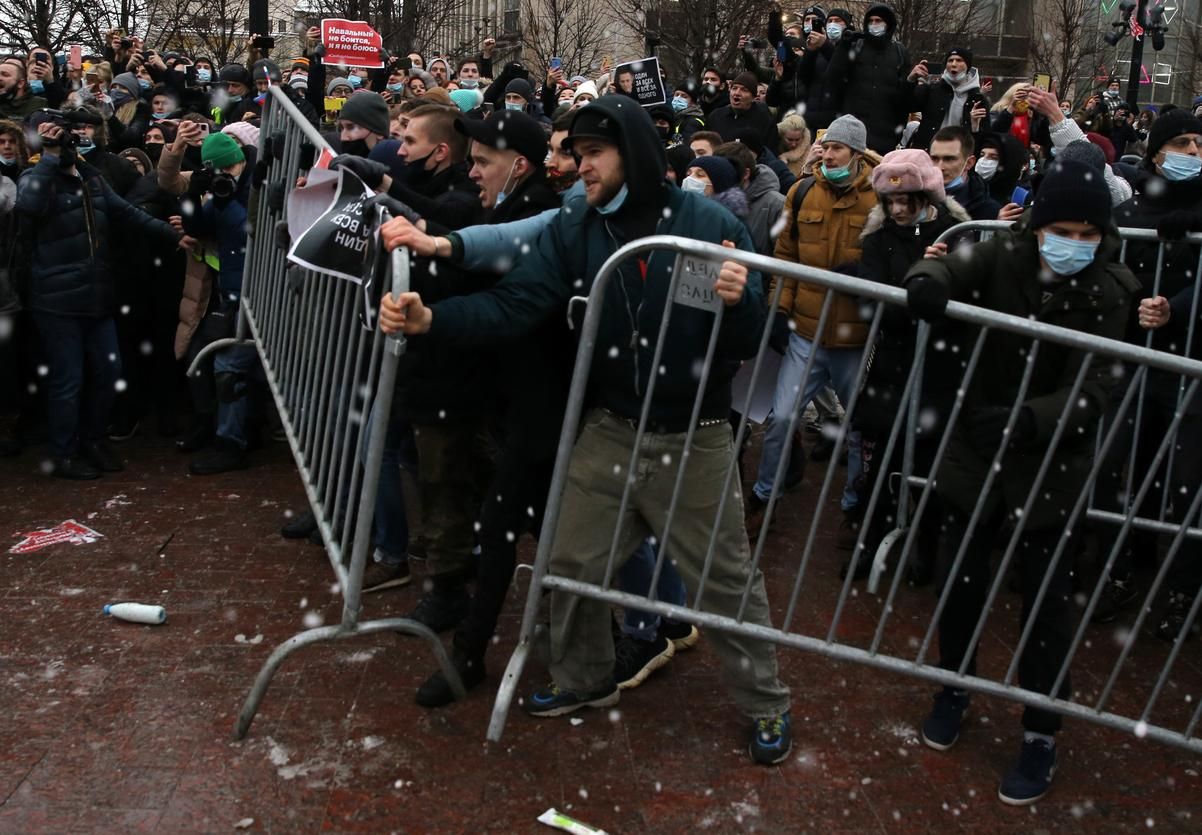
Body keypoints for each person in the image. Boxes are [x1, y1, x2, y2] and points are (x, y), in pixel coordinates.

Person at [377, 96, 793, 764]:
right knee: (568, 563)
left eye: (593, 153)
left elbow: (751, 336)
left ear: (633, 153)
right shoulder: (577, 220)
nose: (578, 166)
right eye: (576, 152)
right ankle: (583, 676)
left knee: (724, 583)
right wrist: (436, 320)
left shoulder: (704, 222)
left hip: (696, 433)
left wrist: (741, 301)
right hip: (611, 425)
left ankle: (768, 704)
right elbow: (519, 299)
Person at [904, 158, 1139, 805]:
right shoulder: (1002, 256)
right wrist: (924, 278)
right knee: (962, 586)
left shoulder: (1112, 288)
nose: (1075, 245)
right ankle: (953, 687)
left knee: (1045, 609)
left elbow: (1096, 384)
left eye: (1089, 233)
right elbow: (950, 265)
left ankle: (1041, 730)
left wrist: (1029, 421)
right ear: (1037, 226)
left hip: (1051, 465)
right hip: (976, 454)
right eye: (1062, 229)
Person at [15, 113, 188, 479]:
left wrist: (174, 235)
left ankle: (93, 439)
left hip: (98, 295)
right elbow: (27, 208)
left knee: (109, 372)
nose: (72, 141)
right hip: (56, 299)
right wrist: (47, 158)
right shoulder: (35, 177)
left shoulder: (91, 180)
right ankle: (64, 452)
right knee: (68, 379)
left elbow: (127, 213)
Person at [745, 115, 875, 542]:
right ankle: (766, 495)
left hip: (853, 338)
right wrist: (778, 311)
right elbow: (786, 255)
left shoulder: (879, 197)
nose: (827, 153)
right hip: (804, 330)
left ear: (855, 153)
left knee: (858, 428)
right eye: (825, 146)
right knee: (781, 418)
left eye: (837, 147)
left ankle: (853, 507)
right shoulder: (801, 193)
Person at [844, 148, 971, 581]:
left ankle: (927, 552)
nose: (898, 209)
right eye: (891, 201)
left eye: (907, 200)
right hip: (894, 366)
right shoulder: (878, 238)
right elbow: (877, 298)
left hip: (939, 367)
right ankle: (868, 543)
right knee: (883, 463)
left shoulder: (956, 234)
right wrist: (920, 290)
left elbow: (964, 296)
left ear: (927, 198)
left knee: (933, 466)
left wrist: (927, 292)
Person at [1099, 109, 1202, 639]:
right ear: (1158, 152)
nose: (1192, 152)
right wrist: (1139, 300)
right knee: (1116, 461)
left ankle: (1183, 587)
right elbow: (1113, 271)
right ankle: (1117, 568)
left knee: (1186, 485)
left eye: (1199, 143)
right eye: (1181, 143)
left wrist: (1174, 309)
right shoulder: (1133, 210)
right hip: (1134, 357)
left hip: (1192, 365)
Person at [183, 131, 258, 475]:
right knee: (233, 367)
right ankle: (237, 437)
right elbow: (196, 226)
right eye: (220, 169)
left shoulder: (260, 182)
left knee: (229, 367)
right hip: (236, 292)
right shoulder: (220, 194)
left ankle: (232, 443)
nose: (228, 173)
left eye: (231, 165)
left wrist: (225, 199)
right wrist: (192, 194)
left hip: (262, 291)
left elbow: (249, 229)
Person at [822, 3, 911, 153]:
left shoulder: (899, 52)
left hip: (884, 135)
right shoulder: (855, 46)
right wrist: (843, 46)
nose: (874, 25)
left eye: (878, 21)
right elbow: (832, 79)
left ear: (888, 24)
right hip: (851, 133)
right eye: (871, 21)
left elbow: (902, 99)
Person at [905, 47, 989, 152]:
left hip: (958, 156)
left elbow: (984, 137)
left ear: (968, 66)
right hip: (927, 153)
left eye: (959, 60)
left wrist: (974, 127)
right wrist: (910, 80)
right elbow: (905, 105)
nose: (953, 64)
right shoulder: (932, 90)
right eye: (950, 60)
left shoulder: (977, 99)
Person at [714, 140, 785, 256]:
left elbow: (784, 256)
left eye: (725, 171)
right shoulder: (712, 199)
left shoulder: (777, 205)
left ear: (746, 174)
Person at [928, 125, 1000, 221]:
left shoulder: (989, 210)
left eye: (949, 159)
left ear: (969, 163)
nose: (940, 167)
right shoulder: (915, 199)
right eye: (934, 159)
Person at [707, 72, 775, 148]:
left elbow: (769, 151)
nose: (737, 93)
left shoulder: (764, 119)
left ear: (753, 97)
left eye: (744, 90)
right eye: (734, 88)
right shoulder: (716, 116)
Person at [776, 112, 812, 178]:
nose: (793, 144)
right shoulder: (773, 145)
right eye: (789, 140)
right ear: (782, 135)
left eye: (797, 140)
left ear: (803, 136)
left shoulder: (810, 155)